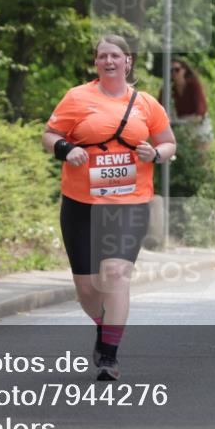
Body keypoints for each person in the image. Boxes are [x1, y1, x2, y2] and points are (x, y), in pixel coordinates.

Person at [42, 35, 176, 381]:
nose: (109, 61)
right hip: (81, 202)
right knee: (87, 289)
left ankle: (109, 355)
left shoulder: (146, 104)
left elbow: (169, 143)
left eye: (116, 55)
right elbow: (50, 134)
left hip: (130, 203)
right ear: (96, 63)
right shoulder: (77, 97)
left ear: (128, 61)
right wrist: (65, 150)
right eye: (103, 56)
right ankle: (106, 326)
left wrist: (156, 154)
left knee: (116, 274)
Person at [171, 58, 213, 152]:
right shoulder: (169, 89)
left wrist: (197, 117)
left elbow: (201, 108)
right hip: (180, 125)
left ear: (184, 70)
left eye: (177, 70)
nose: (174, 73)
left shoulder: (193, 85)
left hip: (198, 124)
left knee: (201, 154)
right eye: (171, 71)